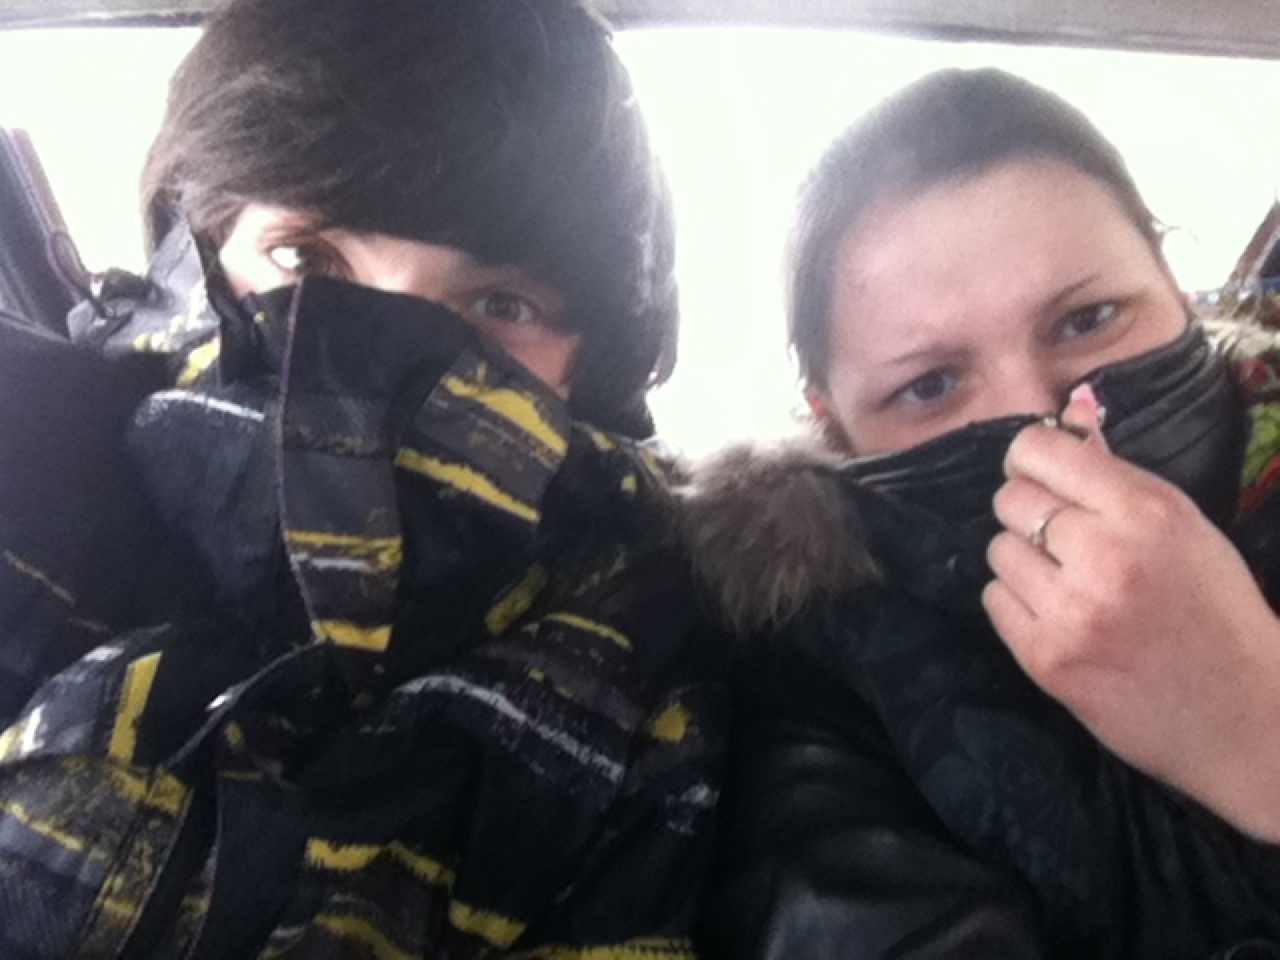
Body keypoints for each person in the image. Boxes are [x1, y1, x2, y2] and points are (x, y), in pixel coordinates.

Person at [0, 0, 726, 956]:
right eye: (306, 257)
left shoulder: (642, 657)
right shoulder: (32, 473)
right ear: (195, 251)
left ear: (591, 371)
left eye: (500, 303)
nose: (381, 351)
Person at [685, 68, 1280, 958]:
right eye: (930, 385)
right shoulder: (811, 681)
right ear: (835, 426)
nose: (1046, 421)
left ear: (1170, 279)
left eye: (1088, 320)